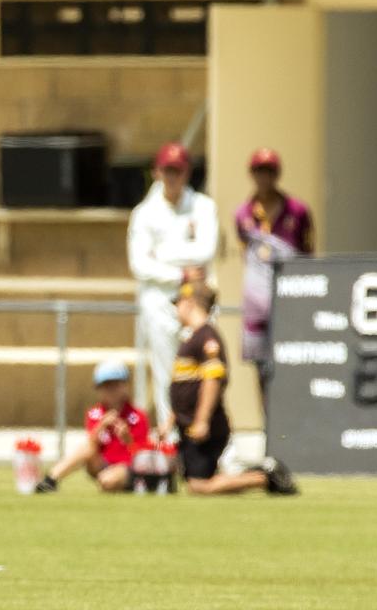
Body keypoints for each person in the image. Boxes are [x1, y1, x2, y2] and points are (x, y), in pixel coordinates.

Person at [157, 280, 297, 496]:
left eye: (179, 303)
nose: (176, 310)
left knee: (199, 486)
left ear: (189, 303)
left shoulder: (207, 338)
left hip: (205, 425)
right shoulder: (192, 338)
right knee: (195, 480)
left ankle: (264, 478)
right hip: (188, 425)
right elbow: (186, 390)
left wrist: (202, 420)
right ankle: (254, 475)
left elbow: (211, 381)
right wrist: (170, 421)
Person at [127, 142, 217, 431]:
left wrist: (161, 253)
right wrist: (180, 274)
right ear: (156, 172)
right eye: (167, 171)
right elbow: (139, 264)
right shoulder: (144, 213)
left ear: (187, 173)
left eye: (177, 171)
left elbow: (205, 251)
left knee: (205, 369)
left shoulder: (203, 206)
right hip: (160, 301)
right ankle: (173, 441)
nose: (172, 177)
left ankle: (207, 433)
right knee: (166, 372)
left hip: (197, 304)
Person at [234, 148, 314, 405]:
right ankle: (268, 424)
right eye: (259, 171)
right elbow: (244, 252)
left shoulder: (297, 211)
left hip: (289, 298)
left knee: (290, 361)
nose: (264, 177)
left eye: (269, 171)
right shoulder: (244, 214)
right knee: (261, 367)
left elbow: (307, 252)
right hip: (257, 304)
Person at [34, 360, 149, 493]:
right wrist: (101, 426)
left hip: (126, 466)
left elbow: (141, 453)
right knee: (87, 446)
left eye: (115, 385)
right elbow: (91, 445)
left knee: (108, 482)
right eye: (105, 386)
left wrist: (127, 437)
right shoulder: (95, 414)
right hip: (101, 464)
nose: (111, 391)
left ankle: (128, 485)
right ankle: (51, 479)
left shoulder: (138, 416)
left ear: (125, 386)